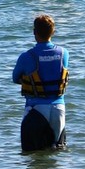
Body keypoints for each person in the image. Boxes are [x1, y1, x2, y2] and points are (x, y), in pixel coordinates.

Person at [13, 14, 69, 152]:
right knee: (56, 154)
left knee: (32, 156)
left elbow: (15, 78)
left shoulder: (27, 56)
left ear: (34, 32)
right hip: (59, 111)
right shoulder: (64, 53)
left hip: (35, 109)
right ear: (53, 32)